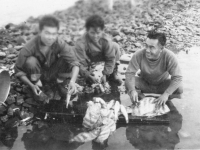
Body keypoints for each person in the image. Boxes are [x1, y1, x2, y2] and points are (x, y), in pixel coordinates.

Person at [14, 15, 80, 97]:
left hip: (53, 73)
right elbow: (18, 71)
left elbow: (75, 63)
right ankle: (39, 86)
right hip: (37, 75)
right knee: (31, 61)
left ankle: (59, 82)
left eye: (54, 34)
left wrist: (72, 81)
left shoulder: (59, 43)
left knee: (68, 55)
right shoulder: (29, 47)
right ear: (40, 32)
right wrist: (31, 85)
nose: (51, 38)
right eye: (47, 33)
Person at [125, 31, 183, 106]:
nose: (147, 50)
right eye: (146, 46)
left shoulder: (169, 56)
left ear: (161, 48)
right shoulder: (138, 54)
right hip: (145, 83)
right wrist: (132, 90)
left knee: (179, 88)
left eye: (151, 47)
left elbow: (177, 78)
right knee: (128, 84)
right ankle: (140, 100)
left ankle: (163, 101)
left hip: (162, 85)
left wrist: (166, 94)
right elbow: (129, 73)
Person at [74, 15, 122, 85]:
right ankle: (86, 75)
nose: (95, 36)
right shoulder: (81, 42)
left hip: (101, 55)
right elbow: (80, 61)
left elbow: (110, 58)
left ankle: (112, 74)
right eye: (92, 33)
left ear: (102, 31)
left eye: (98, 33)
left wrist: (105, 74)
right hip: (87, 58)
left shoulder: (106, 40)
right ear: (87, 31)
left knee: (115, 46)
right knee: (74, 54)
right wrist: (88, 75)